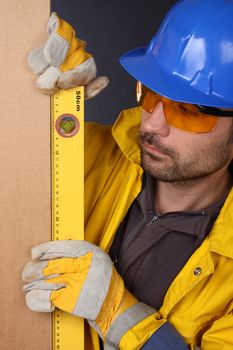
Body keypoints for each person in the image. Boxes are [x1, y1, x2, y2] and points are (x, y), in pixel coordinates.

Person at [22, 0, 233, 349]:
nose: (152, 124)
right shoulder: (85, 154)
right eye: (149, 95)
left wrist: (118, 314)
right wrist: (26, 94)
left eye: (187, 112)